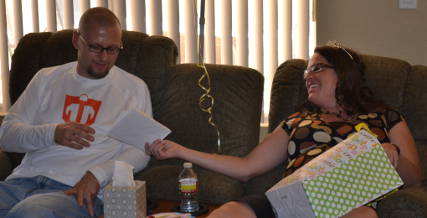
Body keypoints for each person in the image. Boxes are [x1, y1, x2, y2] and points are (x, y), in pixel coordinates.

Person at [146, 43, 422, 218]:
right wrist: (181, 151)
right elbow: (247, 167)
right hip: (290, 203)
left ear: (344, 72)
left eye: (317, 69)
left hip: (345, 206)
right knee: (230, 211)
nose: (308, 77)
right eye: (305, 74)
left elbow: (414, 179)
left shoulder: (385, 117)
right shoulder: (298, 119)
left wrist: (391, 153)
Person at [0, 7, 152, 218]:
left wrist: (97, 175)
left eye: (113, 49)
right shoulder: (46, 78)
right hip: (21, 182)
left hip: (74, 189)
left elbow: (141, 150)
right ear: (76, 41)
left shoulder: (133, 88)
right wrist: (53, 133)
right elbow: (7, 136)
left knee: (29, 214)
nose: (104, 57)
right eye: (95, 48)